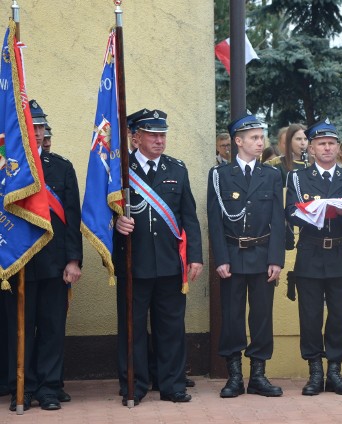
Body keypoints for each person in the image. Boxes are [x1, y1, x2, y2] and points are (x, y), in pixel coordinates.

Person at [114, 109, 203, 406]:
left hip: (169, 264)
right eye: (153, 134)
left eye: (162, 134)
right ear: (135, 137)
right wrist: (116, 224)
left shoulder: (177, 169)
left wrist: (195, 257)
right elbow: (99, 215)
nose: (159, 140)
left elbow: (188, 218)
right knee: (133, 328)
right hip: (133, 263)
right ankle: (134, 384)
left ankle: (172, 385)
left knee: (171, 328)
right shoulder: (120, 170)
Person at [5, 100, 82, 411]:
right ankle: (21, 386)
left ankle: (49, 388)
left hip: (55, 263)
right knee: (19, 329)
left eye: (41, 127)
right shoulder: (7, 169)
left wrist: (74, 261)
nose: (37, 132)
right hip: (18, 263)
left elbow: (73, 219)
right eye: (32, 126)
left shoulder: (61, 167)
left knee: (51, 328)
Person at [207, 114, 285, 398]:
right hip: (233, 255)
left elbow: (278, 219)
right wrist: (221, 258)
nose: (260, 142)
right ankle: (235, 376)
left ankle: (259, 376)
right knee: (232, 317)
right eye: (254, 137)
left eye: (261, 137)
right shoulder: (219, 176)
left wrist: (276, 258)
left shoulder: (273, 175)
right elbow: (214, 220)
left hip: (263, 255)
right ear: (238, 141)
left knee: (262, 317)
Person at [285, 118, 342, 396]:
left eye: (331, 143)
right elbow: (290, 213)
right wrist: (312, 211)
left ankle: (334, 370)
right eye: (321, 144)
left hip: (340, 252)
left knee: (339, 316)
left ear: (338, 148)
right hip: (310, 251)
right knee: (310, 316)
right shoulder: (297, 177)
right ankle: (315, 371)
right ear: (312, 149)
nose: (327, 148)